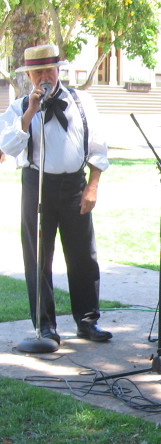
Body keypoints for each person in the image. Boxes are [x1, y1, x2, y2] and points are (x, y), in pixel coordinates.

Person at [0, 44, 112, 345]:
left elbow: (98, 146)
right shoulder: (18, 106)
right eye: (37, 73)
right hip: (37, 186)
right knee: (38, 257)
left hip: (75, 184)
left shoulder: (82, 101)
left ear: (58, 70)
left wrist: (92, 185)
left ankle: (88, 321)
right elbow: (8, 148)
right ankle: (45, 326)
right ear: (29, 76)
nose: (44, 77)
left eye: (48, 70)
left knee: (83, 255)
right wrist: (30, 113)